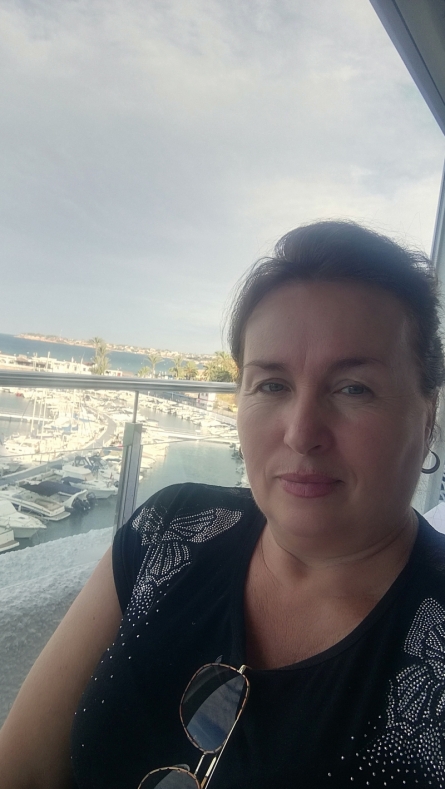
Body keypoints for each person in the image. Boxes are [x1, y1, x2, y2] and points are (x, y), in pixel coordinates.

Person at [1, 220, 445, 789]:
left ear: (428, 414)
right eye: (272, 385)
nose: (301, 433)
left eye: (352, 388)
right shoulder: (170, 528)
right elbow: (25, 769)